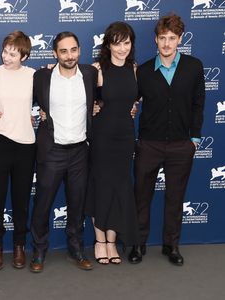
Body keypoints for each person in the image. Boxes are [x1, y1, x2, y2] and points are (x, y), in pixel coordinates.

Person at [129, 14, 205, 266]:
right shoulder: (144, 71)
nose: (167, 43)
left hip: (182, 145)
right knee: (141, 196)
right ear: (156, 39)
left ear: (180, 39)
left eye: (172, 38)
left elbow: (198, 104)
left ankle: (171, 245)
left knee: (175, 197)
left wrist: (194, 139)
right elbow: (130, 101)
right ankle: (138, 244)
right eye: (162, 38)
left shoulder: (194, 67)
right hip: (149, 144)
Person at [29, 31, 97, 273]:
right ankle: (38, 250)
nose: (69, 55)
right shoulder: (42, 77)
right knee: (42, 204)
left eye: (73, 49)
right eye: (64, 51)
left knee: (77, 203)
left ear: (79, 50)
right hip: (52, 151)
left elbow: (106, 98)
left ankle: (76, 248)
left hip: (80, 151)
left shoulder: (90, 74)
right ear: (54, 53)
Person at [85, 21, 139, 265]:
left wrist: (134, 107)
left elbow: (132, 101)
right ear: (108, 44)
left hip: (125, 137)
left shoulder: (134, 68)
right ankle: (100, 242)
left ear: (131, 44)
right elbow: (81, 100)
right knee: (101, 188)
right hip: (102, 137)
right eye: (116, 43)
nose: (121, 48)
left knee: (119, 189)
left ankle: (113, 242)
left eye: (126, 43)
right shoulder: (97, 69)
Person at [0, 31, 36, 270]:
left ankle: (19, 245)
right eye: (5, 51)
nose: (7, 57)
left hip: (26, 144)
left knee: (21, 200)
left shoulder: (34, 76)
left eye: (13, 53)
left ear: (24, 55)